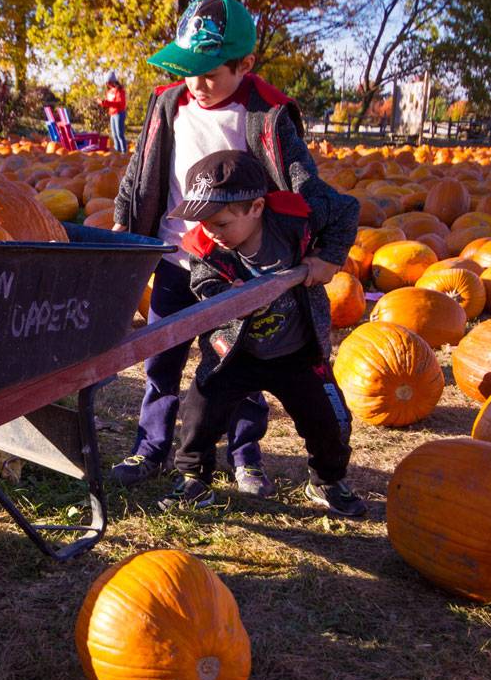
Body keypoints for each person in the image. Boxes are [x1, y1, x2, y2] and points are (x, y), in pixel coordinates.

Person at [109, 0, 356, 497]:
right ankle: (151, 447)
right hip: (177, 258)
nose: (196, 84)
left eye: (210, 73)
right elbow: (141, 173)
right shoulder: (168, 102)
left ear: (244, 65)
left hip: (236, 267)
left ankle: (246, 456)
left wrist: (325, 256)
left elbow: (307, 189)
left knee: (239, 360)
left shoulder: (266, 115)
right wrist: (124, 224)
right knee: (161, 360)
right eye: (187, 70)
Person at [156, 149, 365, 517]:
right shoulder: (206, 246)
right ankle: (194, 479)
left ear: (255, 207)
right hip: (236, 353)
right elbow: (202, 283)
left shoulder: (297, 218)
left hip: (298, 352)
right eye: (204, 223)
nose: (211, 232)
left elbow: (347, 208)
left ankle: (327, 481)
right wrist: (229, 297)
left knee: (330, 420)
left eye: (220, 223)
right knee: (199, 412)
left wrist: (328, 258)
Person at [99, 72, 127, 153]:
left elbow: (120, 103)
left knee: (120, 134)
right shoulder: (109, 91)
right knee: (114, 134)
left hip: (119, 113)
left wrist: (106, 102)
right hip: (112, 113)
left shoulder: (119, 90)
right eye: (107, 83)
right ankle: (117, 151)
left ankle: (124, 152)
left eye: (109, 82)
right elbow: (108, 103)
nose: (108, 84)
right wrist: (102, 102)